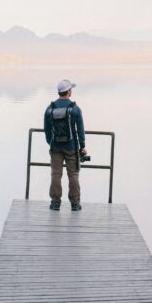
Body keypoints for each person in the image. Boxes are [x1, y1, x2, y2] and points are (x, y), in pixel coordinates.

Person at [44, 79, 87, 211]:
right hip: (71, 147)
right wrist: (82, 146)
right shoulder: (74, 108)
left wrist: (51, 142)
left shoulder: (50, 108)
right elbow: (80, 130)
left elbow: (46, 129)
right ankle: (75, 203)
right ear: (68, 91)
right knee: (73, 175)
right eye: (71, 89)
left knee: (56, 174)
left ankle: (55, 203)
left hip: (55, 147)